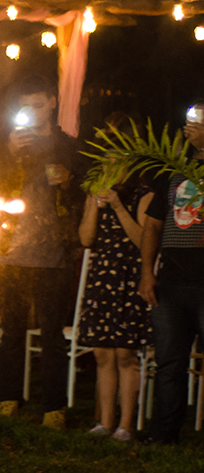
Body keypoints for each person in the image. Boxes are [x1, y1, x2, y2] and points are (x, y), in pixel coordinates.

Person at [0, 76, 84, 429]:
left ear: (53, 103)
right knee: (10, 331)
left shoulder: (68, 147)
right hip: (11, 251)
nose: (33, 112)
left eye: (39, 104)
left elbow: (82, 202)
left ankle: (53, 408)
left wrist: (68, 183)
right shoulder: (10, 145)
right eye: (27, 106)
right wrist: (10, 155)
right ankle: (8, 399)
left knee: (52, 334)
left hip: (53, 254)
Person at [78, 116, 154, 442]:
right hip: (102, 275)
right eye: (105, 162)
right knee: (101, 353)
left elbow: (141, 239)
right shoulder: (95, 192)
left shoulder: (144, 194)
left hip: (129, 275)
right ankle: (104, 423)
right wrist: (95, 205)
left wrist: (119, 206)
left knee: (125, 353)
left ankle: (126, 425)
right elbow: (85, 238)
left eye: (116, 162)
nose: (110, 168)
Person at [138, 107, 204, 445]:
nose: (190, 128)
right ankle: (163, 435)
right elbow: (152, 226)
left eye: (199, 123)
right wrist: (147, 273)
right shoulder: (173, 172)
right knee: (169, 363)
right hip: (171, 284)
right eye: (189, 123)